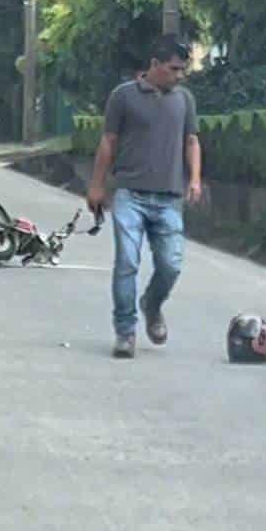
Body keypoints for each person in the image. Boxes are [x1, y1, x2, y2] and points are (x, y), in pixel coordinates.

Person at [86, 37, 202, 359]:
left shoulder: (184, 100)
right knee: (126, 262)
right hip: (129, 194)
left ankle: (152, 304)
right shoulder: (123, 96)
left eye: (182, 70)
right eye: (173, 68)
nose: (178, 76)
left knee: (171, 265)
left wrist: (194, 179)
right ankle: (125, 332)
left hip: (169, 197)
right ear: (154, 64)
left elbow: (191, 141)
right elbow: (108, 141)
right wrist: (96, 186)